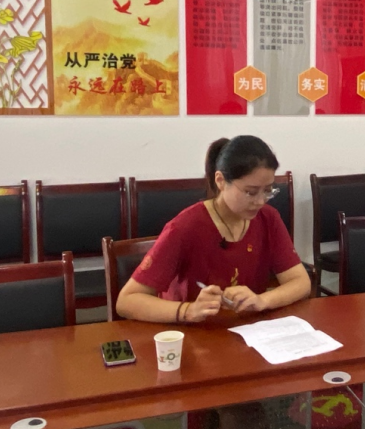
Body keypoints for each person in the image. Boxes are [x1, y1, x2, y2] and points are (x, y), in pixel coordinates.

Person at [116, 135, 310, 323]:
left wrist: (262, 300)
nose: (260, 201)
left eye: (267, 190)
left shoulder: (268, 218)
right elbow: (127, 301)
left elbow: (300, 282)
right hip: (192, 332)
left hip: (247, 330)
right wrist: (188, 311)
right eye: (250, 192)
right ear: (220, 181)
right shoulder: (186, 227)